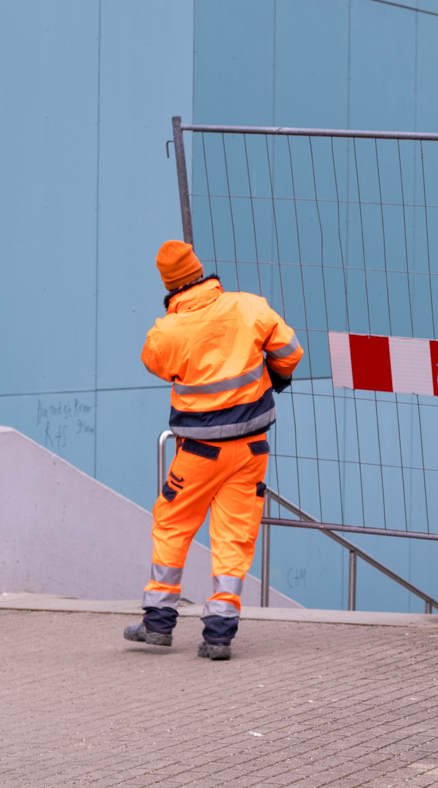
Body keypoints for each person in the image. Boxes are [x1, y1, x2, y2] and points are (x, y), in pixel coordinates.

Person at [123, 240, 304, 660]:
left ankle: (158, 624)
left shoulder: (165, 331)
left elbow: (157, 363)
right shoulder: (249, 307)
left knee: (172, 524)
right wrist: (272, 374)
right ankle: (219, 634)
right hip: (251, 450)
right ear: (203, 273)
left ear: (169, 286)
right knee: (234, 537)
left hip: (198, 453)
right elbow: (290, 353)